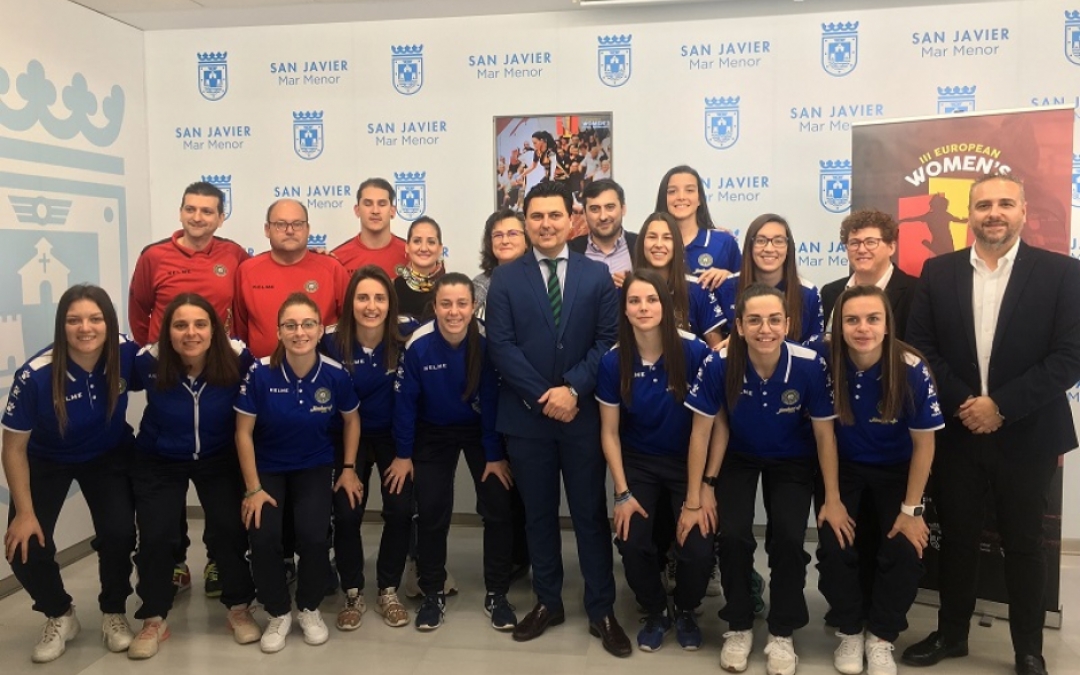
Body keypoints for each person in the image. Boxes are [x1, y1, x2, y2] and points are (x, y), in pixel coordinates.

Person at [902, 174, 1080, 675]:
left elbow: (1069, 356)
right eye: (983, 205)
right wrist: (968, 404)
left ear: (1023, 210)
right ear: (971, 213)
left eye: (1005, 203)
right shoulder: (939, 272)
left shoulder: (1063, 273)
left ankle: (1028, 649)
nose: (993, 213)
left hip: (1028, 433)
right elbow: (920, 347)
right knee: (958, 539)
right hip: (958, 432)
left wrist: (1000, 406)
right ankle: (952, 634)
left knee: (1024, 543)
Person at [486, 181, 631, 657]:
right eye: (536, 216)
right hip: (527, 420)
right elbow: (501, 346)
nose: (546, 224)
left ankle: (601, 608)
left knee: (589, 515)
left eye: (554, 215)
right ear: (526, 222)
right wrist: (543, 396)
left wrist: (571, 390)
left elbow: (607, 341)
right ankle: (548, 601)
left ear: (573, 220)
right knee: (538, 516)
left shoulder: (597, 275)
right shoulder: (505, 278)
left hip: (582, 417)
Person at [685, 283, 848, 675]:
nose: (765, 329)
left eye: (775, 320)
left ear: (787, 324)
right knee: (733, 535)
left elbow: (825, 435)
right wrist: (696, 495)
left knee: (789, 538)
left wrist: (833, 497)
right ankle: (739, 624)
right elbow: (701, 433)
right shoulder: (720, 362)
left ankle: (782, 632)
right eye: (754, 320)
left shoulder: (809, 364)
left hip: (793, 458)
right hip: (739, 456)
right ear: (739, 326)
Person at [1, 284, 138, 663]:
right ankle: (60, 613)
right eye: (74, 320)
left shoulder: (125, 352)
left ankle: (114, 611)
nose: (85, 328)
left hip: (107, 455)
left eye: (95, 319)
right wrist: (25, 512)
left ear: (109, 323)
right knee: (23, 546)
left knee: (119, 534)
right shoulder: (35, 375)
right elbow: (12, 448)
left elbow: (169, 363)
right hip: (47, 459)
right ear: (61, 325)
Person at [128, 181, 249, 597]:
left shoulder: (234, 255)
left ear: (221, 217)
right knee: (169, 461)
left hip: (215, 369)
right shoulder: (154, 256)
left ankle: (218, 561)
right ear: (181, 212)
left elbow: (242, 308)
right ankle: (175, 562)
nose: (198, 217)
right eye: (191, 209)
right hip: (169, 372)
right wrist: (156, 357)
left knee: (218, 469)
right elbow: (139, 309)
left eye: (208, 211)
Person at [126, 293, 261, 658]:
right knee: (156, 535)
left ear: (214, 329)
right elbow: (110, 377)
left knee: (230, 529)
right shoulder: (147, 361)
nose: (191, 333)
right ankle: (154, 617)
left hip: (218, 455)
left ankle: (239, 607)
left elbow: (257, 399)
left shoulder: (237, 357)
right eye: (180, 325)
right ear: (167, 331)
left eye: (200, 324)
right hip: (159, 457)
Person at [818, 285, 943, 675]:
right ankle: (851, 630)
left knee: (905, 548)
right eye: (852, 320)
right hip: (844, 468)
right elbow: (825, 436)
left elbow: (924, 444)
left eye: (873, 319)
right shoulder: (825, 361)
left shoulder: (910, 367)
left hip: (898, 470)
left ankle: (882, 637)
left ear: (888, 324)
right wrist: (832, 499)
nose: (862, 328)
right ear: (839, 326)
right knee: (835, 543)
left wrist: (912, 510)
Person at [234, 293, 363, 653]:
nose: (299, 332)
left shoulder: (335, 374)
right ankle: (277, 611)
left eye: (308, 324)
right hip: (268, 467)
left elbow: (352, 420)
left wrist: (348, 468)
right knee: (262, 536)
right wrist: (252, 489)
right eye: (290, 325)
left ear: (320, 330)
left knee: (314, 536)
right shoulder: (259, 372)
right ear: (278, 331)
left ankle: (308, 607)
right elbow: (242, 432)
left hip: (314, 464)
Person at [392, 273, 517, 632]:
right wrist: (403, 454)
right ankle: (432, 593)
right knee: (432, 510)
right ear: (434, 307)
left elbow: (491, 401)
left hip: (480, 430)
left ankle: (497, 594)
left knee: (498, 505)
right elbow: (405, 404)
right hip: (433, 432)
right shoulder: (418, 344)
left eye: (462, 303)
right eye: (445, 304)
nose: (454, 311)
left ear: (474, 306)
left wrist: (494, 455)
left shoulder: (487, 341)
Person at [597, 270, 713, 652]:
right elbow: (609, 432)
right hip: (639, 463)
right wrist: (622, 493)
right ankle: (655, 609)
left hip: (687, 461)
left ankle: (686, 608)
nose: (643, 307)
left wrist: (700, 493)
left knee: (698, 546)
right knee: (631, 540)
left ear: (666, 305)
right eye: (634, 301)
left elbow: (710, 426)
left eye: (651, 299)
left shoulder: (694, 351)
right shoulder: (613, 361)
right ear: (625, 309)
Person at [320, 265, 413, 630]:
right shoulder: (329, 340)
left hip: (392, 436)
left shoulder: (407, 334)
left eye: (379, 298)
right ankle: (353, 591)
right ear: (350, 303)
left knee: (401, 510)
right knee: (346, 513)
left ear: (390, 303)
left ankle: (388, 589)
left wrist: (405, 454)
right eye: (362, 298)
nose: (371, 306)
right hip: (346, 437)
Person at [233, 198, 350, 358]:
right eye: (280, 224)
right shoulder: (247, 271)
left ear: (307, 229)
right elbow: (240, 332)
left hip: (322, 370)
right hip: (263, 370)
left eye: (297, 224)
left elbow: (350, 326)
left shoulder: (332, 269)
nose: (289, 231)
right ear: (267, 229)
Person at [717, 214, 824, 347]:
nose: (769, 249)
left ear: (788, 248)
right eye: (761, 240)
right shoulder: (725, 287)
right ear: (750, 246)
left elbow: (814, 349)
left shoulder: (808, 293)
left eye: (778, 241)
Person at [820, 209, 917, 338]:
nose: (861, 250)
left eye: (871, 242)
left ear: (891, 247)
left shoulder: (915, 292)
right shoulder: (830, 292)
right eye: (854, 243)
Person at [633, 212, 723, 347]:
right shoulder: (628, 289)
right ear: (642, 244)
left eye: (667, 238)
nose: (659, 244)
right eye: (652, 237)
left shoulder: (697, 289)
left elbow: (716, 348)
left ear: (677, 245)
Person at [655, 165, 741, 285]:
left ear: (700, 198)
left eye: (689, 190)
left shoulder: (724, 242)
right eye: (672, 191)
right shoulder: (652, 244)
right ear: (664, 199)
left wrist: (729, 278)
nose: (681, 197)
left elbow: (745, 288)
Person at [331, 177, 408, 278]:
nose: (375, 211)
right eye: (368, 204)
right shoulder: (337, 259)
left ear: (392, 211)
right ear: (357, 210)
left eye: (382, 204)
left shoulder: (410, 255)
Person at [569, 179, 636, 285]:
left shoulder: (642, 245)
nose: (603, 217)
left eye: (610, 207)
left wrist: (633, 287)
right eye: (595, 209)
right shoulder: (569, 251)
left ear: (623, 209)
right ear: (584, 214)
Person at [473, 208, 529, 319]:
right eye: (498, 235)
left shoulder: (541, 279)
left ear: (527, 241)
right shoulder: (479, 284)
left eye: (512, 234)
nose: (505, 241)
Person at [394, 216, 445, 322]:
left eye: (431, 242)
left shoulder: (449, 288)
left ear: (440, 249)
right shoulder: (393, 289)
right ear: (407, 247)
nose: (423, 248)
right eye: (417, 241)